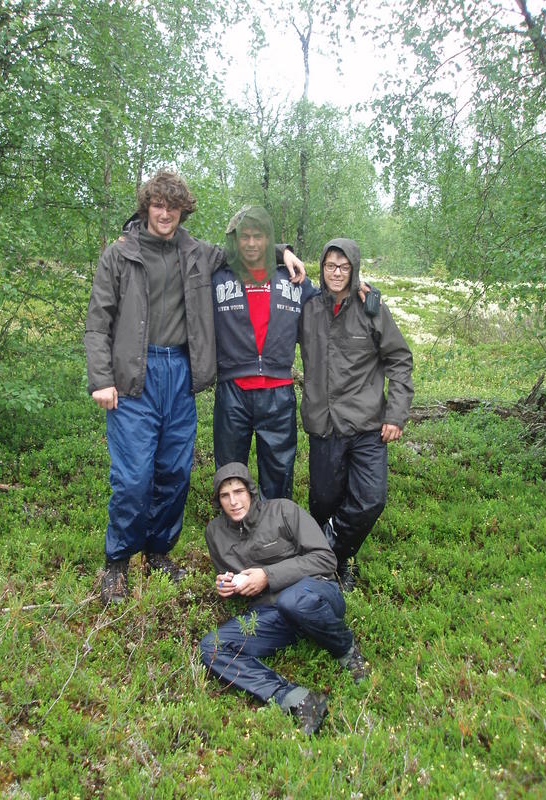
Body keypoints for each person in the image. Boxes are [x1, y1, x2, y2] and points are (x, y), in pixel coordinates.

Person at [85, 172, 304, 605]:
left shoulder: (195, 252)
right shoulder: (120, 254)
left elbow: (243, 249)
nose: (165, 214)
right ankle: (117, 560)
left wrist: (284, 252)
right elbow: (98, 321)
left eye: (173, 206)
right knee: (133, 477)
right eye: (157, 205)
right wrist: (101, 378)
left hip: (180, 372)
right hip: (133, 375)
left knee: (175, 472)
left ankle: (158, 550)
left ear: (183, 209)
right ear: (146, 207)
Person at [200, 462, 369, 736]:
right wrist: (225, 585)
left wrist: (267, 575)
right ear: (218, 500)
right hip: (273, 616)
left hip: (317, 594)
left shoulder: (283, 510)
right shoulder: (215, 533)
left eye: (239, 491)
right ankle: (297, 699)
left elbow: (325, 559)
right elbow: (226, 574)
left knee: (294, 600)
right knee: (211, 647)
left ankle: (348, 651)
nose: (233, 501)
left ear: (251, 491)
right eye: (225, 495)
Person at [299, 238, 414, 590]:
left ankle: (331, 553)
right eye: (330, 266)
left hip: (366, 425)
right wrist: (282, 251)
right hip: (323, 425)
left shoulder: (371, 308)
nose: (336, 272)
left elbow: (399, 359)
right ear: (321, 268)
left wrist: (395, 413)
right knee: (323, 501)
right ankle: (334, 563)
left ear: (354, 270)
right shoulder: (309, 308)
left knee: (370, 499)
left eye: (344, 267)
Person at [211, 206, 319, 500]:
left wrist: (356, 283)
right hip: (233, 390)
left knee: (278, 474)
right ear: (235, 240)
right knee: (230, 474)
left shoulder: (292, 277)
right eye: (244, 236)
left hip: (278, 393)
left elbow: (329, 302)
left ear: (268, 239)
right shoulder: (218, 277)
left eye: (258, 236)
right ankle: (235, 537)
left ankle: (274, 537)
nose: (251, 243)